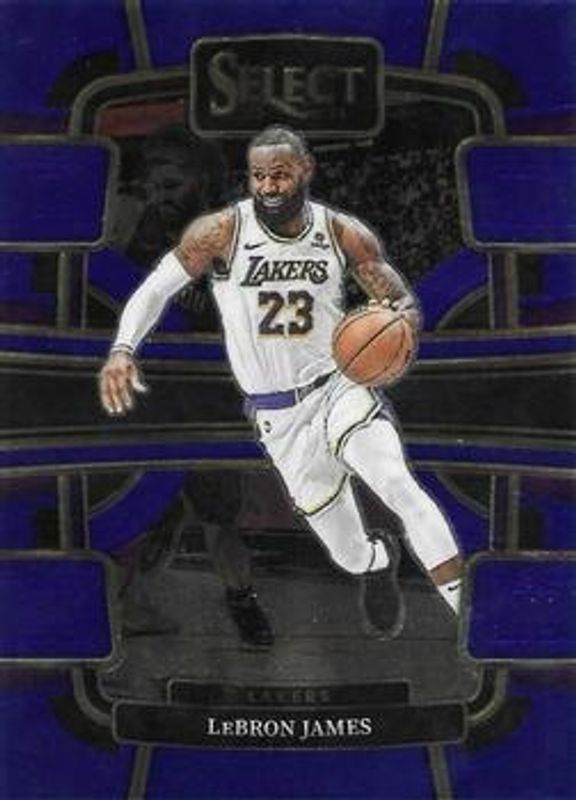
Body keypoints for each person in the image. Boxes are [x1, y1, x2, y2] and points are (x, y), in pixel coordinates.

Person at [99, 125, 462, 639]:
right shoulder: (209, 233)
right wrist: (122, 349)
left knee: (397, 485)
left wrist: (400, 316)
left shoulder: (340, 231)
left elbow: (397, 296)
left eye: (280, 175)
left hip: (333, 390)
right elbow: (154, 290)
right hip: (253, 411)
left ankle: (472, 617)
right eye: (260, 176)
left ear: (304, 171)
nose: (269, 186)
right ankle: (377, 560)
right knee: (345, 551)